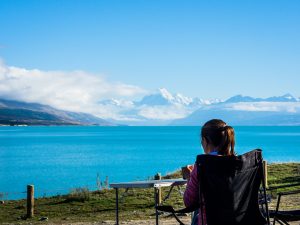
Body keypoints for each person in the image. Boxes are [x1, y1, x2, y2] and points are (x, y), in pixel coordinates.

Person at [183, 119, 236, 225]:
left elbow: (189, 202)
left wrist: (190, 178)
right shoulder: (239, 163)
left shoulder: (202, 166)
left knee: (197, 215)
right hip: (238, 219)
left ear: (205, 140)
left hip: (210, 221)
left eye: (201, 141)